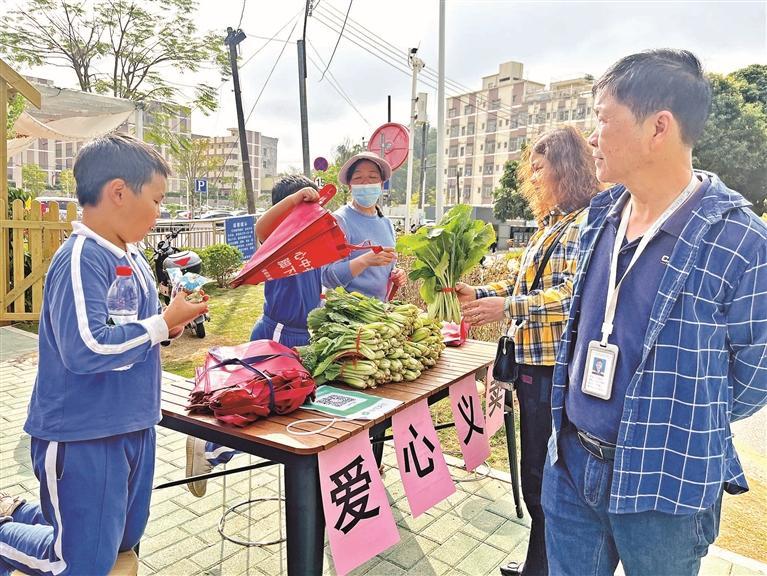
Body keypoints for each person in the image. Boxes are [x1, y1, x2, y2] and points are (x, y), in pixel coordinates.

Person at [543, 49, 767, 576]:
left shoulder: (740, 241)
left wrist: (682, 420)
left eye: (602, 117)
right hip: (573, 466)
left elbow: (755, 373)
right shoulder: (600, 216)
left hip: (668, 485)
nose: (592, 135)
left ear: (658, 127)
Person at [0, 134, 209, 575]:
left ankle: (18, 512)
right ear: (118, 192)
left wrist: (170, 324)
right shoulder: (80, 257)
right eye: (156, 199)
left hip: (134, 425)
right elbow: (87, 348)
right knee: (79, 565)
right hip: (83, 435)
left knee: (120, 542)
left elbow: (138, 332)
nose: (159, 212)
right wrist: (158, 324)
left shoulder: (130, 255)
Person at [457, 126, 600, 576]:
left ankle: (544, 566)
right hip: (532, 365)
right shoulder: (551, 223)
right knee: (538, 469)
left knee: (546, 476)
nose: (534, 179)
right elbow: (528, 285)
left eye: (541, 169)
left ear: (567, 168)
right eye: (531, 170)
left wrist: (507, 306)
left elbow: (572, 295)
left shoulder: (585, 222)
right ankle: (539, 563)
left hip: (554, 369)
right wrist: (479, 290)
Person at [185, 176, 321, 497]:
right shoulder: (278, 238)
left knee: (288, 408)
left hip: (305, 337)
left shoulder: (312, 243)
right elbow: (262, 227)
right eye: (307, 207)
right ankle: (209, 447)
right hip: (279, 336)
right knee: (258, 408)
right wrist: (295, 200)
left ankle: (311, 482)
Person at [322, 151, 406, 300]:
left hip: (378, 312)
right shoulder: (339, 220)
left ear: (381, 184)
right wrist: (364, 261)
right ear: (350, 186)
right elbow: (327, 276)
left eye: (372, 177)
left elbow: (387, 267)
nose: (366, 183)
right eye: (358, 178)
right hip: (348, 314)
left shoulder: (386, 223)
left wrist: (396, 274)